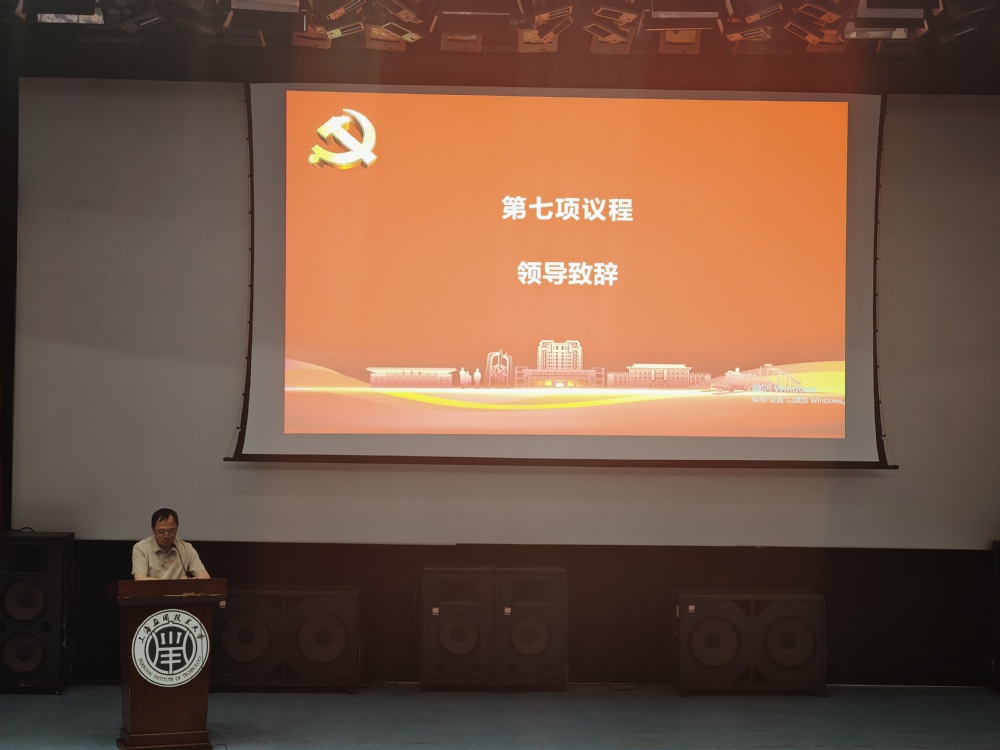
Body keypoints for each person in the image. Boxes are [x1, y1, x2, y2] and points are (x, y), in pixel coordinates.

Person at [132, 508, 210, 580]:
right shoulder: (141, 547)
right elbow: (139, 579)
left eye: (171, 531)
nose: (166, 536)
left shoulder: (186, 548)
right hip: (151, 590)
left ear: (177, 528)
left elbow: (205, 577)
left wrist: (188, 581)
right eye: (161, 531)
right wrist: (173, 585)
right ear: (153, 530)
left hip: (179, 591)